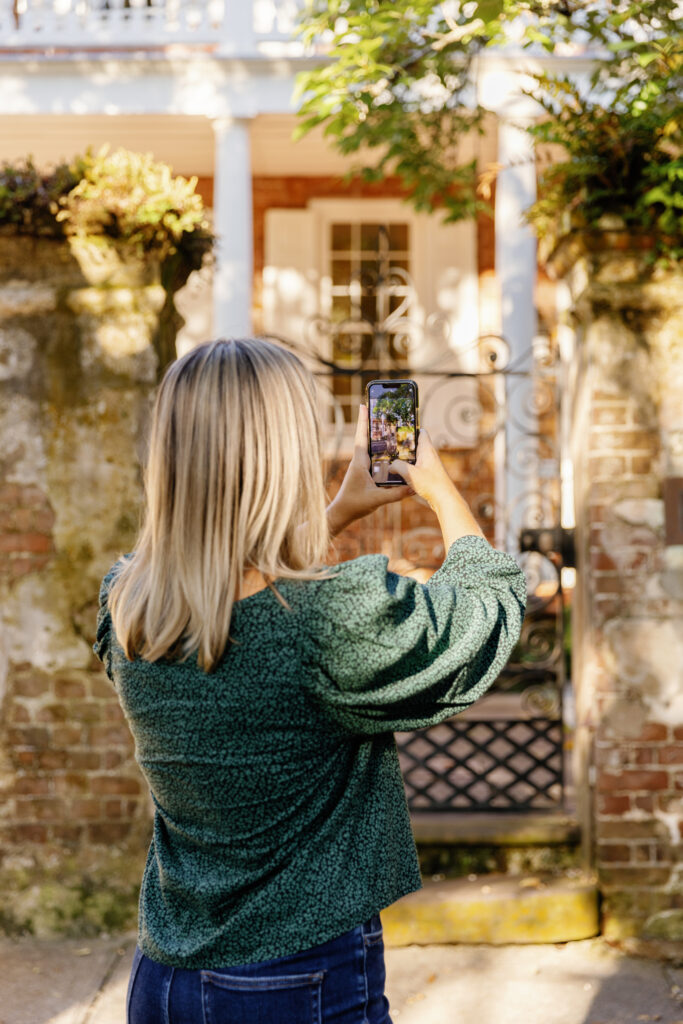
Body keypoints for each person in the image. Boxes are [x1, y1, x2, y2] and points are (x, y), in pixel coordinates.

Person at [93, 337, 527, 1024]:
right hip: (296, 980)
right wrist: (441, 491)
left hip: (166, 980)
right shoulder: (329, 616)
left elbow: (240, 595)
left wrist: (339, 513)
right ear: (282, 452)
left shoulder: (128, 603)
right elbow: (487, 611)